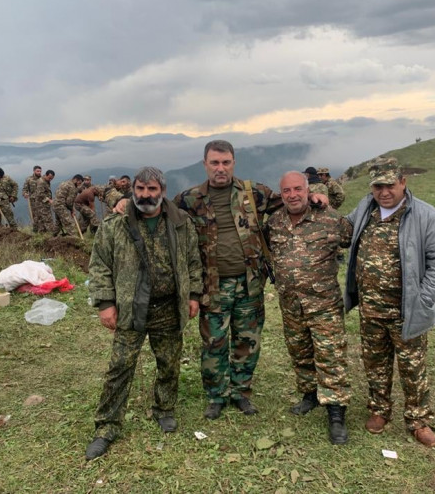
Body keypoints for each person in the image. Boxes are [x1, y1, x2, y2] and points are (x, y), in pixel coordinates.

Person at [85, 166, 202, 460]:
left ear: (162, 191)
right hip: (131, 308)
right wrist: (105, 303)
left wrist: (194, 295)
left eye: (152, 189)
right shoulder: (115, 224)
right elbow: (99, 265)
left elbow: (193, 260)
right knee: (120, 367)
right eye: (140, 189)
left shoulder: (180, 222)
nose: (145, 195)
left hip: (168, 306)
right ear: (132, 190)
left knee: (169, 363)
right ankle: (106, 427)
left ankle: (164, 409)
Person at [344, 158, 435, 447]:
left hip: (407, 311)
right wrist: (319, 201)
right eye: (378, 186)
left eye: (390, 185)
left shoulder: (425, 215)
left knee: (412, 367)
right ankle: (379, 410)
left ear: (403, 182)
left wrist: (424, 299)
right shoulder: (365, 210)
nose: (384, 192)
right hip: (370, 309)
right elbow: (343, 231)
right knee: (375, 363)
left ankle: (418, 420)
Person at [173, 140, 286, 420]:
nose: (220, 168)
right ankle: (216, 395)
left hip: (250, 283)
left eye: (225, 162)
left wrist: (318, 194)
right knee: (214, 343)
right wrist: (121, 201)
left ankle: (241, 392)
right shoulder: (189, 199)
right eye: (214, 163)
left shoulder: (254, 193)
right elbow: (157, 211)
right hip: (212, 287)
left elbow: (292, 200)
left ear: (234, 163)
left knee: (247, 342)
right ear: (205, 164)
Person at [266, 171, 353, 444]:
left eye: (297, 189)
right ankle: (309, 394)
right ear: (281, 194)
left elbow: (353, 238)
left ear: (308, 190)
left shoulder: (330, 219)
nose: (292, 195)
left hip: (323, 304)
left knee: (331, 356)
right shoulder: (274, 222)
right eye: (287, 191)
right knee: (300, 351)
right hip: (291, 305)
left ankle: (336, 412)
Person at [22, 166, 43, 232]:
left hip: (42, 200)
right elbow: (24, 189)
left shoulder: (43, 179)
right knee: (35, 215)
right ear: (34, 171)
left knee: (43, 215)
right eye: (37, 171)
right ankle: (36, 230)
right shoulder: (29, 179)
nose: (39, 172)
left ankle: (43, 230)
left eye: (40, 171)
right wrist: (25, 193)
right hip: (33, 200)